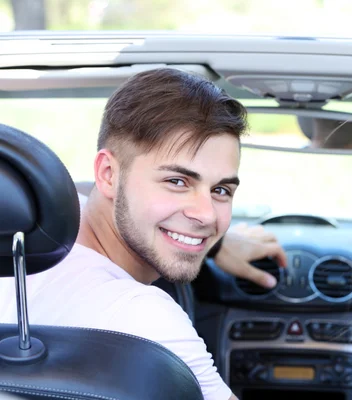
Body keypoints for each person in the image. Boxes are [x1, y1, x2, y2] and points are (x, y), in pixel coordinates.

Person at [0, 68, 286, 400]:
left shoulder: (21, 241)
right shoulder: (146, 319)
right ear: (108, 174)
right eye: (177, 182)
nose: (207, 215)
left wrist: (216, 246)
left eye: (221, 190)